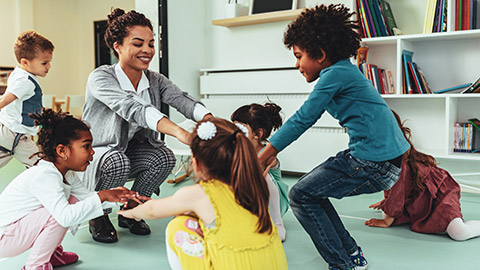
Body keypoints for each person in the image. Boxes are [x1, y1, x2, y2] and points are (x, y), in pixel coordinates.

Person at [257, 4, 410, 270]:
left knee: (301, 195)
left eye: (299, 55)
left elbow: (304, 118)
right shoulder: (344, 71)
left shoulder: (335, 74)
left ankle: (342, 264)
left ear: (321, 54)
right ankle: (351, 254)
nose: (297, 64)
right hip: (384, 161)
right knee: (310, 193)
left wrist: (266, 154)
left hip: (372, 163)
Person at [82, 8, 212, 243]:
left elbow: (181, 99)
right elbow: (132, 108)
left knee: (164, 157)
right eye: (138, 43)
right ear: (117, 46)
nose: (147, 50)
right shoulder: (101, 77)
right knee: (116, 160)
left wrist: (210, 119)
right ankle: (97, 215)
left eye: (151, 44)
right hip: (99, 155)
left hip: (130, 151)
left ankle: (132, 210)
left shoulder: (154, 79)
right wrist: (180, 132)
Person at [118, 118, 288, 270]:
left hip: (237, 264)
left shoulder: (198, 194)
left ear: (196, 163)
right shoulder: (252, 183)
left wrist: (131, 213)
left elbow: (152, 210)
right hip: (273, 262)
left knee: (178, 226)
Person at [0, 109, 147, 270]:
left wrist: (119, 199)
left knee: (73, 201)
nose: (92, 152)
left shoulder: (65, 173)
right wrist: (103, 196)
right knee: (59, 214)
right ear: (62, 151)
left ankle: (51, 253)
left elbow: (87, 198)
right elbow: (65, 217)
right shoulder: (45, 175)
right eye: (86, 146)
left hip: (15, 233)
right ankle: (35, 265)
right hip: (5, 239)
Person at [365, 111, 480, 241]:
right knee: (389, 211)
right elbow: (396, 184)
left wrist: (386, 221)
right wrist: (387, 201)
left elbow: (398, 188)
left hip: (440, 193)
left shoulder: (397, 156)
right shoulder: (381, 154)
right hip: (418, 198)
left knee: (459, 233)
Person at [231, 102, 289, 241]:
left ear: (257, 134)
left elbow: (255, 176)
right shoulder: (237, 150)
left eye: (239, 129)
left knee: (264, 177)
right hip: (252, 203)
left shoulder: (267, 153)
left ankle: (277, 223)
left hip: (273, 202)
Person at [0, 30, 54, 169]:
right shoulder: (25, 81)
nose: (49, 66)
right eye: (44, 63)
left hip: (7, 131)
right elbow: (4, 100)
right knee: (42, 167)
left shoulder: (18, 74)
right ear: (25, 62)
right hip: (16, 135)